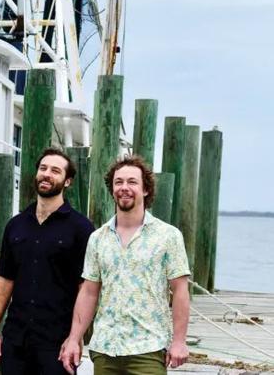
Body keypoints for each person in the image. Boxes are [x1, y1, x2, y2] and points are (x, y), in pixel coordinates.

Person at [59, 156, 191, 374]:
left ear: (146, 190)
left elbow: (180, 290)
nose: (124, 188)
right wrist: (74, 338)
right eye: (118, 182)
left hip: (148, 349)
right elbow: (89, 293)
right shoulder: (97, 238)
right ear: (112, 189)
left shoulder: (168, 236)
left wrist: (179, 341)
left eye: (132, 182)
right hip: (105, 349)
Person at [0, 148, 94, 374]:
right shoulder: (15, 225)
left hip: (57, 342)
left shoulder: (81, 228)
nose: (47, 174)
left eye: (55, 171)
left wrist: (76, 336)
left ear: (67, 181)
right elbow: (5, 280)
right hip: (16, 339)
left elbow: (86, 288)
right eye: (43, 168)